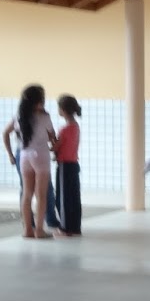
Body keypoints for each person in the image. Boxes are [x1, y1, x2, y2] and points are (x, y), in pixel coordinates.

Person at [3, 84, 54, 240]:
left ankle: (27, 230)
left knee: (27, 194)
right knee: (41, 195)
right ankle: (39, 230)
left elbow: (5, 133)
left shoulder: (19, 116)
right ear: (39, 101)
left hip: (24, 156)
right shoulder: (44, 117)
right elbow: (52, 137)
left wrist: (10, 154)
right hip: (41, 156)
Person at [54, 95, 83, 237]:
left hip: (64, 165)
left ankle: (65, 228)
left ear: (63, 110)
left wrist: (51, 139)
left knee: (63, 198)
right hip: (74, 164)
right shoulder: (76, 127)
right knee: (74, 197)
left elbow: (56, 147)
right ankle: (75, 227)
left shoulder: (64, 129)